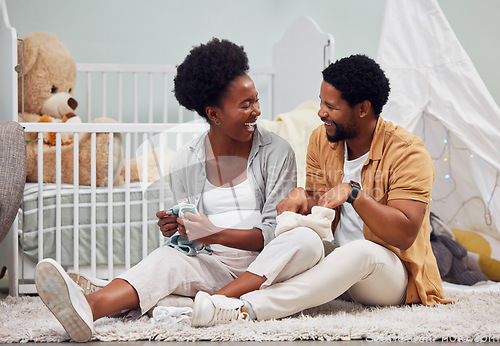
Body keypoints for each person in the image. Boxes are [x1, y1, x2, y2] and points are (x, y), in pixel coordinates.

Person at [34, 38, 324, 342]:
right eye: (246, 105)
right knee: (167, 258)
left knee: (305, 239)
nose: (256, 111)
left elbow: (272, 233)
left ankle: (210, 304)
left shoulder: (277, 152)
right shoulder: (187, 158)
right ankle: (90, 308)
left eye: (256, 101)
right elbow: (190, 242)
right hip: (212, 265)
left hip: (267, 265)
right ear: (214, 114)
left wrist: (214, 233)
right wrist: (176, 229)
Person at [191, 54, 451, 327]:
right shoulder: (322, 139)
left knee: (362, 251)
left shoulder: (408, 152)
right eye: (321, 102)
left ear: (362, 109)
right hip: (337, 265)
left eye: (331, 106)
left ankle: (243, 309)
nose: (321, 112)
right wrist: (304, 197)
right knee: (302, 237)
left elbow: (405, 233)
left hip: (390, 276)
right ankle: (213, 300)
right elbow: (322, 207)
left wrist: (353, 193)